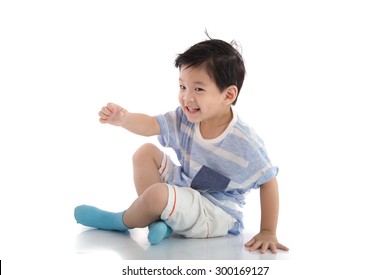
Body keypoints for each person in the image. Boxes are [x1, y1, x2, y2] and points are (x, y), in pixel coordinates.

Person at [74, 36, 289, 254]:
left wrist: (268, 231)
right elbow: (150, 124)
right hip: (187, 186)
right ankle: (157, 221)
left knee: (158, 194)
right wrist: (124, 119)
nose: (186, 97)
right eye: (182, 86)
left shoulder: (244, 142)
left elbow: (268, 180)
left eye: (198, 89)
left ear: (228, 95)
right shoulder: (185, 118)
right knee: (145, 152)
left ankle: (121, 220)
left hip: (216, 211)